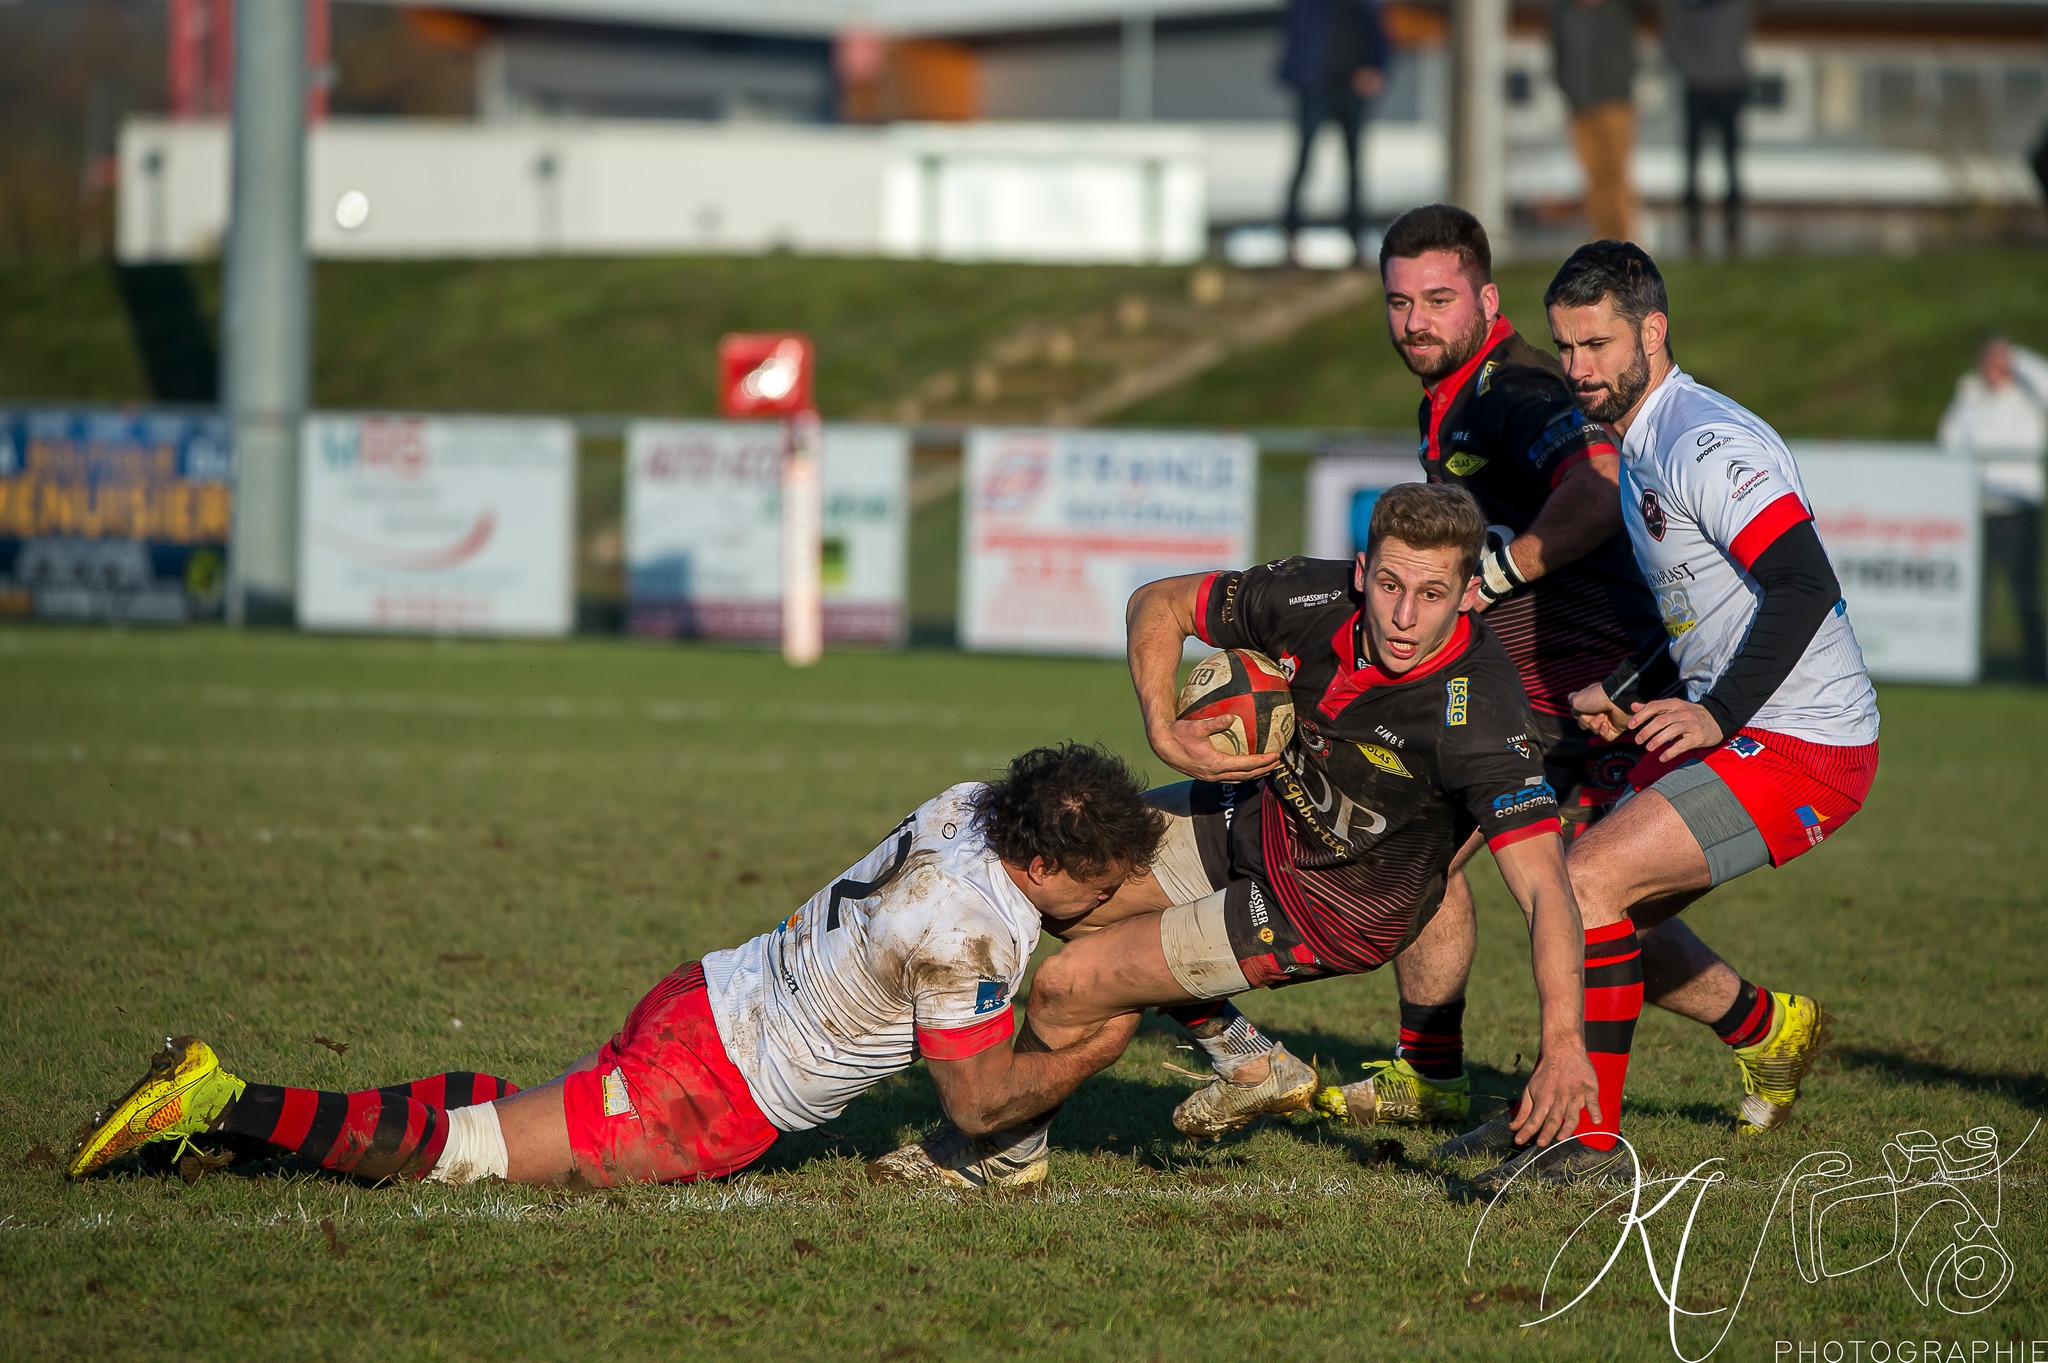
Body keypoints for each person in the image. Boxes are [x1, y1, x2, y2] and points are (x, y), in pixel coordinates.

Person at [871, 483, 1603, 1185]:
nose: (1403, 615)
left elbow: (1545, 890)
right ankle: (1249, 1058)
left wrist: (1565, 1043)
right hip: (1253, 814)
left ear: (1469, 591)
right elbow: (1156, 604)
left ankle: (998, 1154)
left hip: (1328, 907)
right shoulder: (1312, 597)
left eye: (1432, 594)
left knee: (1068, 987)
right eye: (1388, 585)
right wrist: (1163, 728)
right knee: (1056, 882)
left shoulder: (1481, 713)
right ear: (1361, 570)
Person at [66, 745, 1163, 1190]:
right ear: (1034, 860)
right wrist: (1103, 1038)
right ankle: (217, 1096)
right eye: (1092, 880)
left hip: (708, 991)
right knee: (466, 1154)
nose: (1104, 897)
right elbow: (976, 1103)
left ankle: (242, 1132)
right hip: (710, 1092)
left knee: (503, 1110)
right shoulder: (972, 936)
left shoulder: (972, 804)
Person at [1334, 202, 1803, 1137]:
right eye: (1398, 303)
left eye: (1437, 298)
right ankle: (1760, 1025)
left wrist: (1496, 576)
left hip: (1599, 692)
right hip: (1544, 697)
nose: (1415, 320)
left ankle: (1474, 1084)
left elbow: (1592, 485)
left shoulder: (1517, 390)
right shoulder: (1457, 395)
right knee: (1504, 878)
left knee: (1531, 885)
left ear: (1487, 298)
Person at [1448, 239, 1880, 1193]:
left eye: (1597, 344)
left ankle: (1584, 1143)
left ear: (1653, 329)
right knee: (1593, 908)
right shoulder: (1641, 438)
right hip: (1748, 725)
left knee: (1588, 881)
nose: (1579, 369)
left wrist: (1716, 713)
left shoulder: (1704, 442)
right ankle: (1759, 1031)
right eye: (1565, 348)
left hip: (1805, 744)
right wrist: (1637, 686)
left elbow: (1803, 585)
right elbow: (1709, 604)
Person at [1938, 336, 2048, 683]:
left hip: (2019, 508)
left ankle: (2036, 669)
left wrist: (2016, 358)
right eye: (1990, 360)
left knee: (2025, 593)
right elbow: (1948, 441)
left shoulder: (2030, 397)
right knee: (1976, 593)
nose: (1995, 368)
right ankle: (1973, 667)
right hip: (1979, 511)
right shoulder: (1970, 398)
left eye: (2002, 361)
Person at [1277, 0, 1391, 264]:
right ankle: (1291, 240)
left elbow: (1382, 38)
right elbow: (1296, 37)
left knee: (1354, 170)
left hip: (1352, 94)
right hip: (1315, 90)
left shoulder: (1367, 5)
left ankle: (1356, 243)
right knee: (1303, 165)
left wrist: (1375, 69)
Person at [1662, 0, 1754, 255]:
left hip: (1731, 91)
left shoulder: (1738, 7)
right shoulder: (1685, 8)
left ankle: (1733, 235)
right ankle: (1693, 236)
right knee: (1692, 168)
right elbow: (1672, 46)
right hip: (1698, 92)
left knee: (1732, 166)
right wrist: (1695, 73)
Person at [1554, 0, 1647, 243]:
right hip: (1580, 104)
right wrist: (1566, 85)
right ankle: (1603, 243)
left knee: (1617, 176)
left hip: (1615, 101)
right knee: (1593, 180)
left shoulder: (1619, 7)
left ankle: (1628, 244)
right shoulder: (1563, 8)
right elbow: (1558, 50)